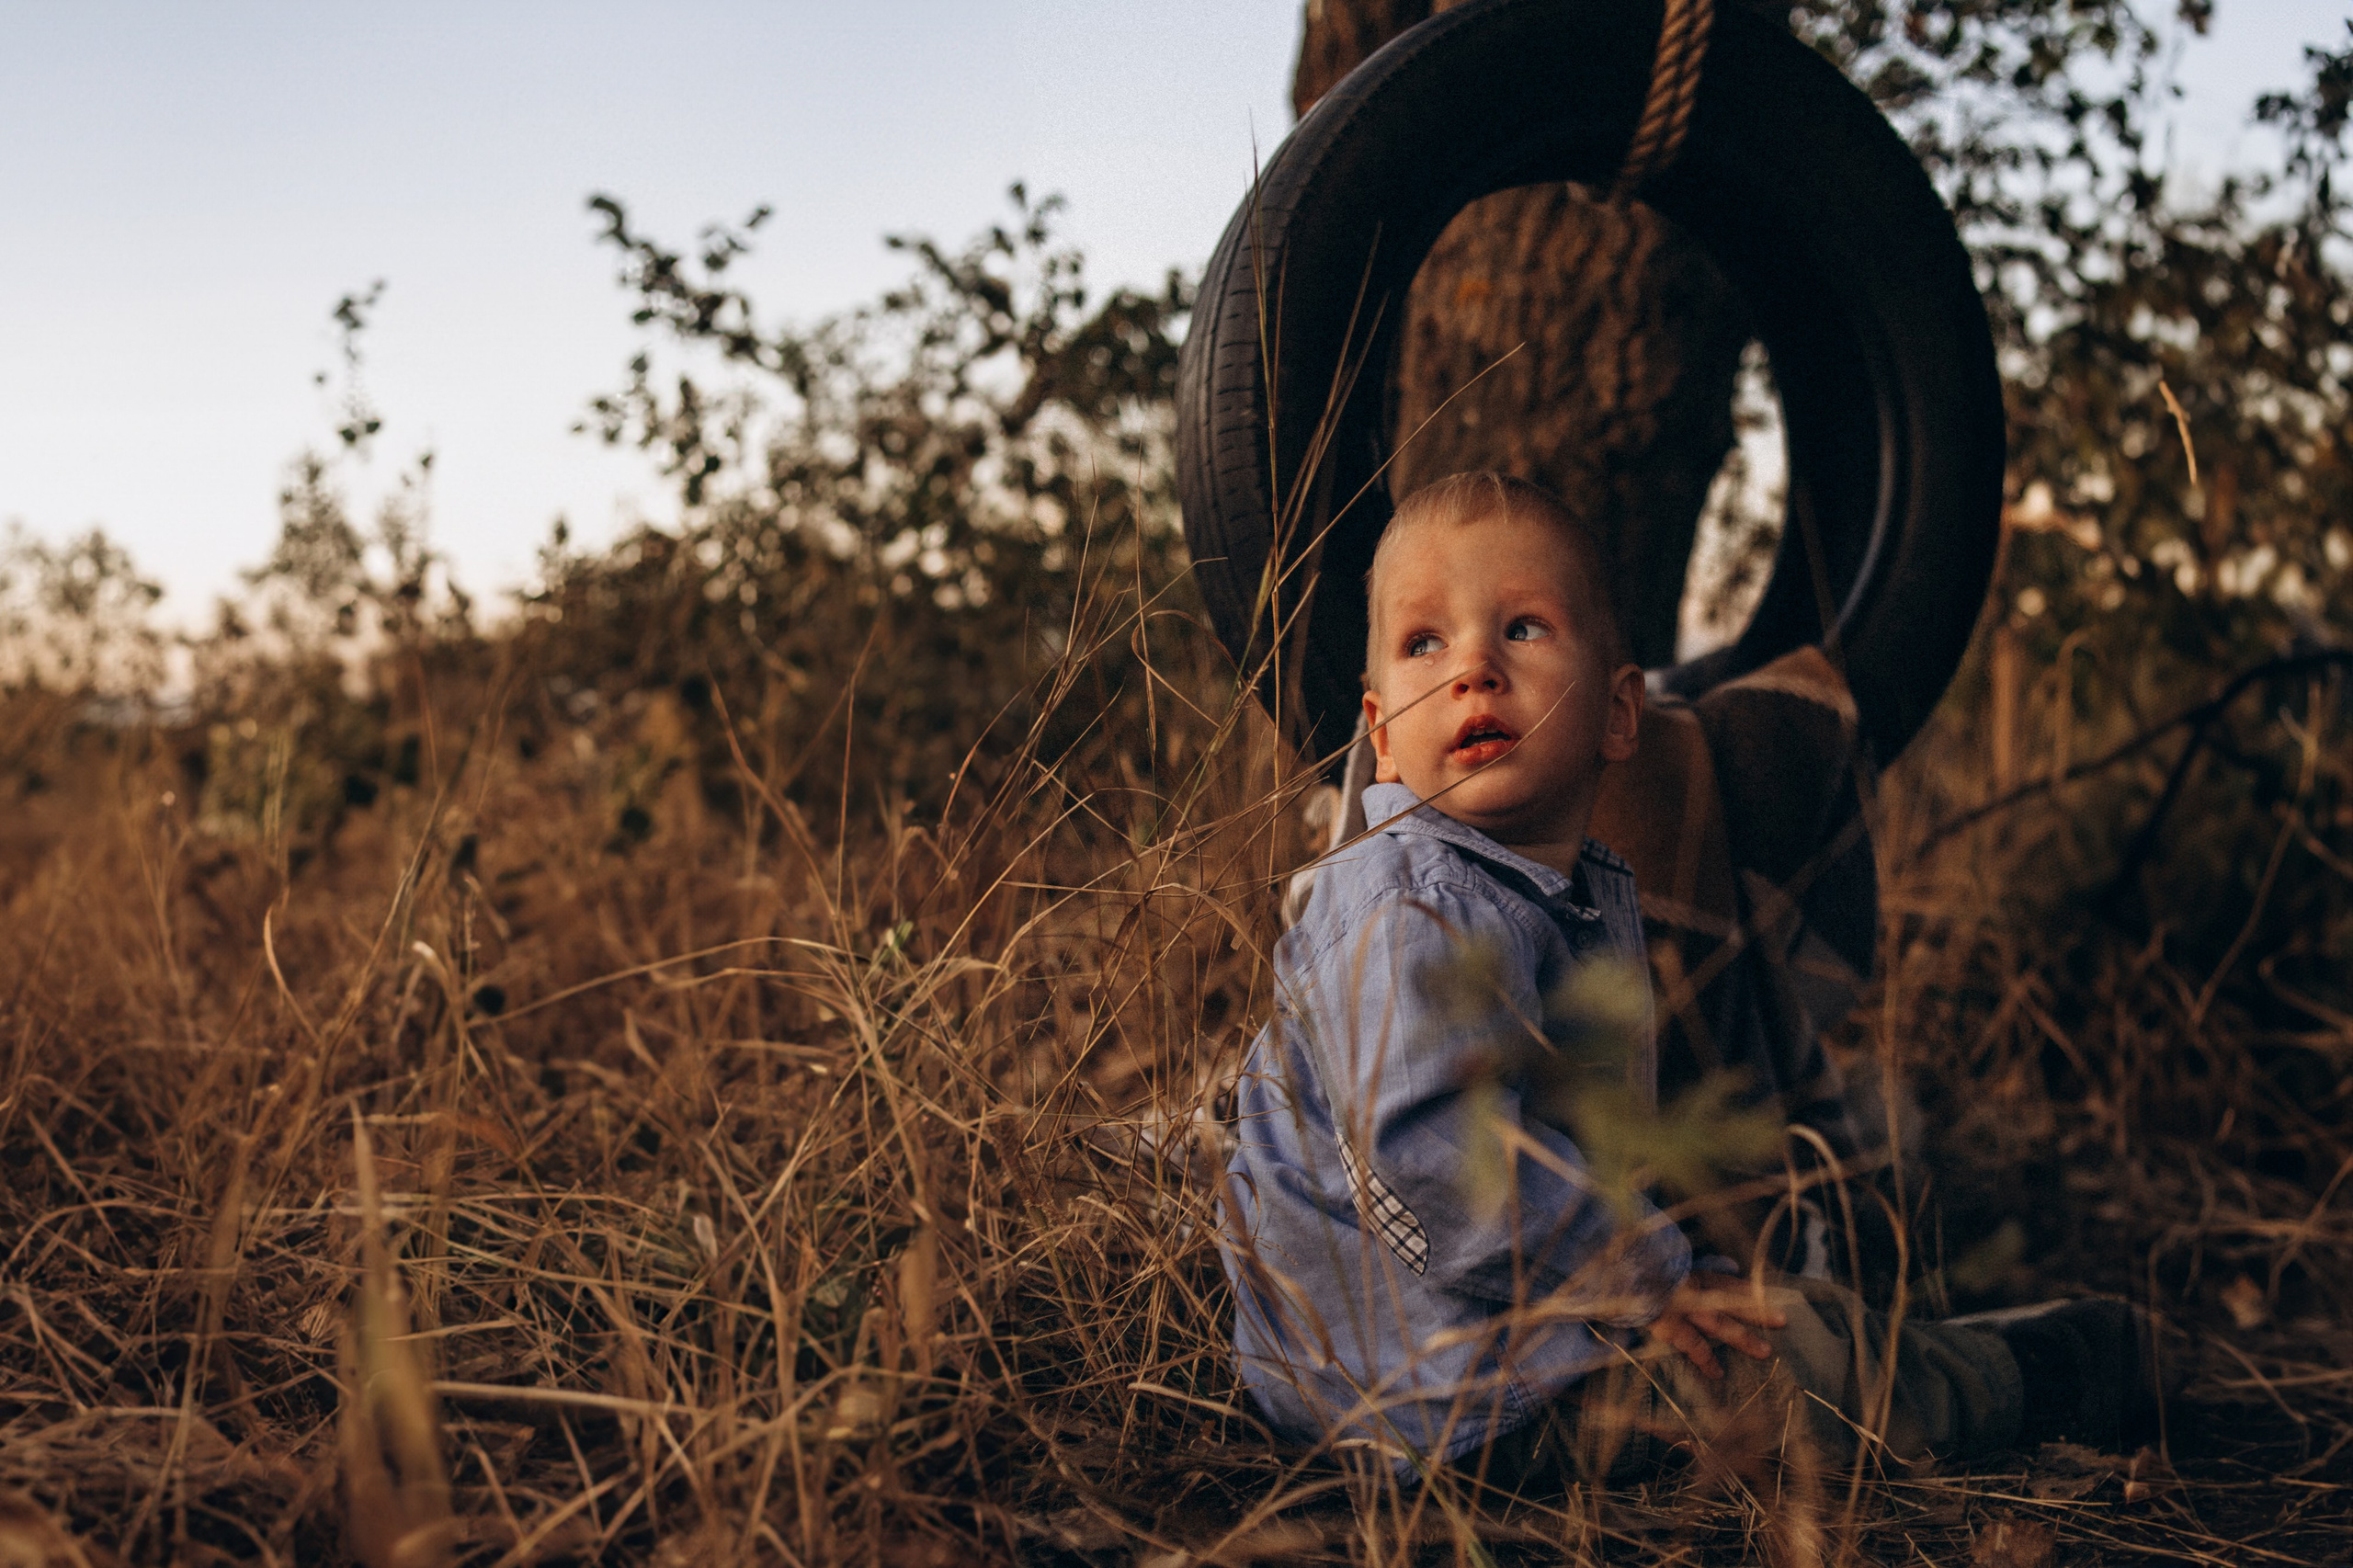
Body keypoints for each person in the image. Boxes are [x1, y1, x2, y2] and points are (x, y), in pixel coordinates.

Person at [1216, 472, 2154, 1487]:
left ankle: (1913, 1343)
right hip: (1432, 1391)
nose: (1474, 670)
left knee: (1761, 1312)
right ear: (1382, 738)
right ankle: (2031, 1375)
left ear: (1622, 714)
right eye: (1423, 643)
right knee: (1788, 1381)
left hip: (1498, 1342)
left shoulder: (1545, 890)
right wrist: (1640, 1274)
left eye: (1522, 628)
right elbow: (1424, 1150)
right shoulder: (1401, 901)